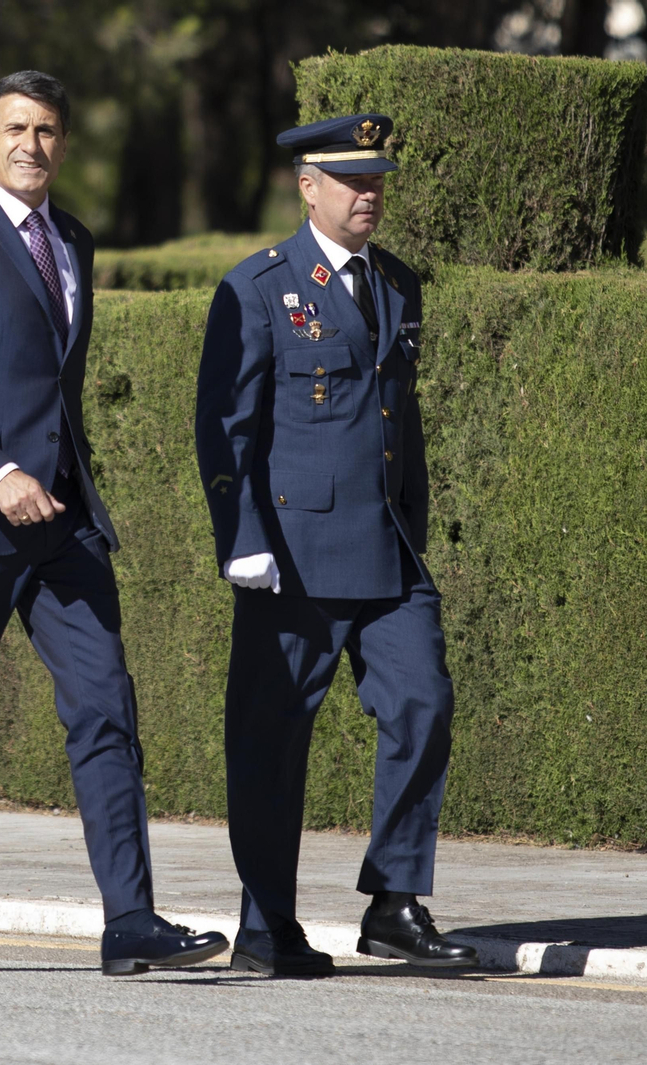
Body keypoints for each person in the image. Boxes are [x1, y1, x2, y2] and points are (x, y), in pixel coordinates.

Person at [0, 70, 227, 977]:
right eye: (18, 128)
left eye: (49, 131)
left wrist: (59, 482)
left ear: (63, 145)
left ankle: (130, 921)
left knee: (107, 706)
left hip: (63, 523)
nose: (33, 144)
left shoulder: (73, 238)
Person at [193, 113, 479, 976]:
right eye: (351, 179)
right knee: (273, 744)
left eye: (378, 177)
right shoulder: (259, 287)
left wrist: (415, 522)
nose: (369, 192)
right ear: (307, 185)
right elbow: (223, 426)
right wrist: (241, 537)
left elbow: (400, 423)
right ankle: (265, 923)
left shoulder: (399, 284)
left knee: (423, 702)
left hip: (388, 550)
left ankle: (393, 901)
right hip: (294, 555)